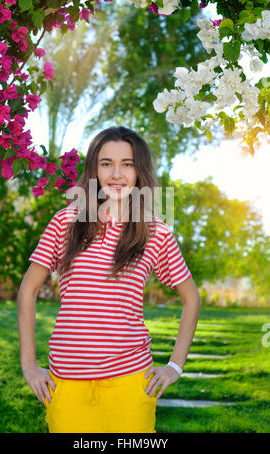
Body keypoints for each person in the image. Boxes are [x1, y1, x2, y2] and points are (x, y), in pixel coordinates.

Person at [17, 126, 201, 433]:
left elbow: (191, 299)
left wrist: (174, 366)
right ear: (94, 170)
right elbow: (28, 290)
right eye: (106, 163)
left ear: (139, 170)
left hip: (130, 382)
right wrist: (28, 365)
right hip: (66, 381)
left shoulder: (155, 232)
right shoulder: (66, 222)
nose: (117, 174)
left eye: (127, 164)